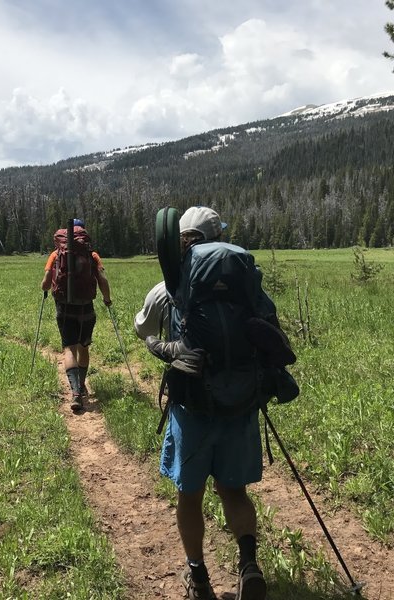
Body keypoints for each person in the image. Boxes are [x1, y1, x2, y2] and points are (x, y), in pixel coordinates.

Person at [134, 206, 269, 600]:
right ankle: (248, 563)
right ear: (218, 238)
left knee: (189, 497)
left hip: (192, 408)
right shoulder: (241, 277)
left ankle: (199, 579)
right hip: (240, 403)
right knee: (234, 491)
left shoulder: (170, 285)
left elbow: (142, 327)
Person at [41, 219, 112, 413]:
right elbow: (103, 279)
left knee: (69, 349)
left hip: (64, 309)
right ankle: (81, 385)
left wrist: (45, 288)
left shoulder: (56, 255)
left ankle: (75, 393)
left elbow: (46, 283)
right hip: (86, 308)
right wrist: (107, 299)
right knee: (83, 347)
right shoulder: (92, 254)